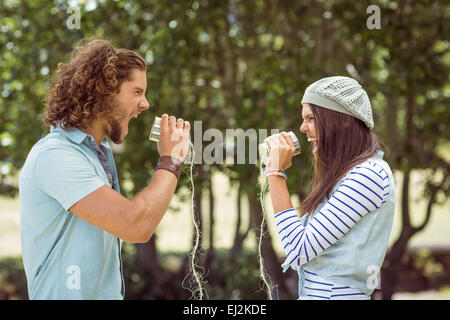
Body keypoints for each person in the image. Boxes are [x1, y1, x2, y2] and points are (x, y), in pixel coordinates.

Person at [19, 39, 191, 299]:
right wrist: (171, 159)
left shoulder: (96, 153)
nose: (145, 104)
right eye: (137, 92)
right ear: (106, 92)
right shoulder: (57, 156)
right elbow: (136, 225)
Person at [264, 76, 396, 300]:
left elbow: (298, 251)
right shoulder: (347, 175)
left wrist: (276, 175)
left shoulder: (368, 176)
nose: (302, 128)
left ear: (343, 120)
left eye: (311, 118)